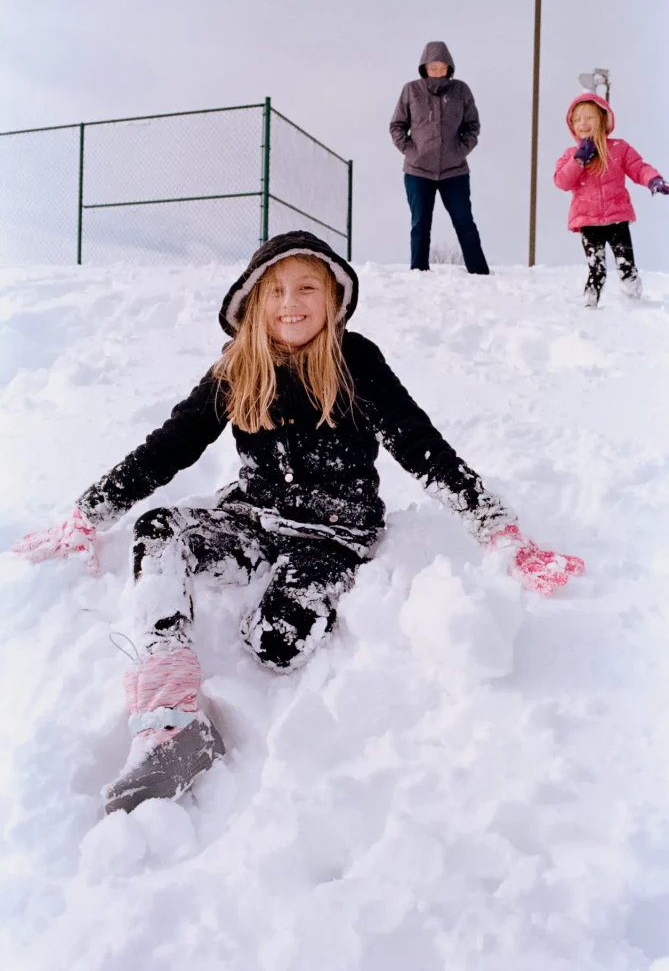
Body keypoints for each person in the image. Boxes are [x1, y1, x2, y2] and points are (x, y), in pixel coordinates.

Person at [12, 230, 583, 815]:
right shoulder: (238, 368)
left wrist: (498, 528)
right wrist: (89, 512)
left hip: (333, 536)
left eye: (308, 286)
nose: (291, 302)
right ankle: (171, 722)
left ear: (333, 297)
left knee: (276, 646)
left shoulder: (355, 360)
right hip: (253, 519)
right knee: (159, 530)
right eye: (276, 290)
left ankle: (274, 632)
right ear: (255, 303)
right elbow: (169, 446)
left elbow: (421, 445)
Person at [554, 93, 668, 308]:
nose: (583, 123)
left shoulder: (619, 148)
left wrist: (653, 179)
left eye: (589, 117)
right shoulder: (571, 154)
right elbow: (562, 182)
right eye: (577, 120)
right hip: (588, 221)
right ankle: (590, 304)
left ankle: (633, 301)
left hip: (617, 217)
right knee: (596, 267)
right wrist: (578, 160)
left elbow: (638, 167)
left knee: (626, 264)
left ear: (603, 120)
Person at [390, 40, 489, 275]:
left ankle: (479, 273)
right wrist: (411, 150)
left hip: (455, 171)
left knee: (465, 222)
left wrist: (460, 150)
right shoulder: (411, 90)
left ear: (449, 68)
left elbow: (472, 126)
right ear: (424, 67)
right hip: (417, 171)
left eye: (441, 67)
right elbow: (397, 125)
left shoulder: (461, 91)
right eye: (432, 67)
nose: (437, 71)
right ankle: (419, 272)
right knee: (420, 224)